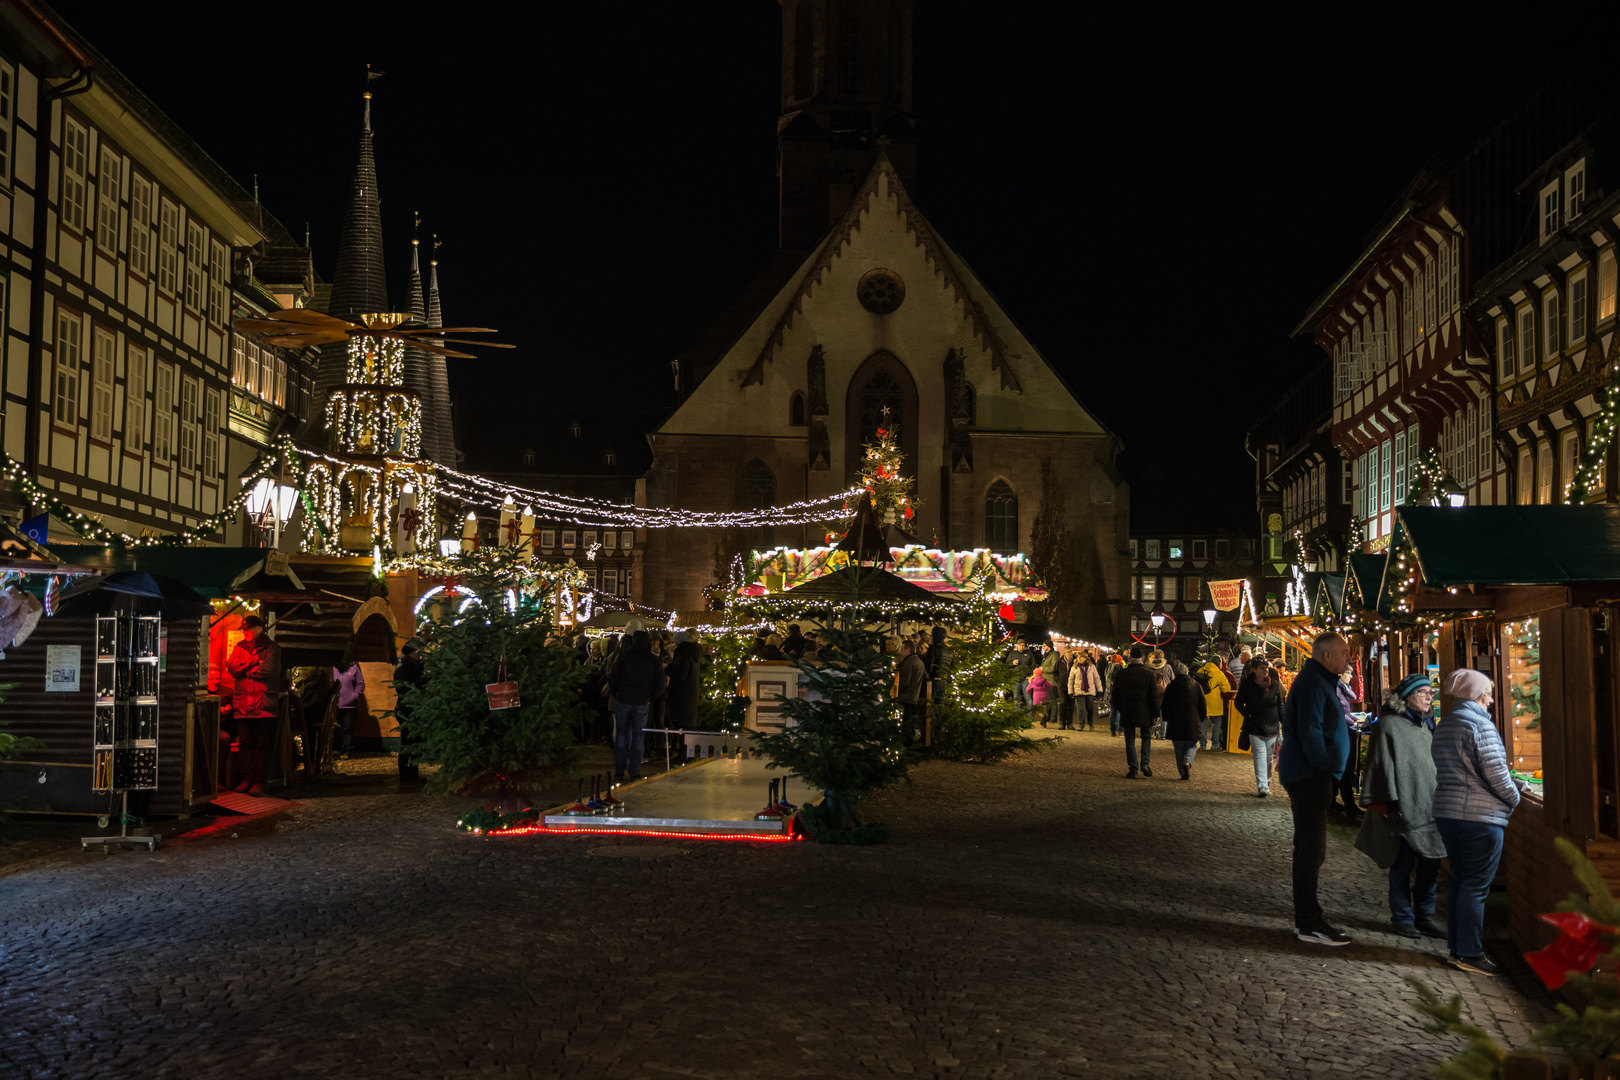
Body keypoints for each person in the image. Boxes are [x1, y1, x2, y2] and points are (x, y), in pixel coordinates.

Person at [1432, 667, 1522, 976]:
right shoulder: (1480, 725)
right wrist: (1514, 797)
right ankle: (1470, 953)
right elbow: (1496, 772)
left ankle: (1458, 948)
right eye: (1488, 694)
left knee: (1460, 881)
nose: (1492, 701)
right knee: (1475, 886)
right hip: (1480, 816)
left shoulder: (1446, 725)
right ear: (1477, 695)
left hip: (1448, 813)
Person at [1355, 673, 1446, 940]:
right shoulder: (1389, 725)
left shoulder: (1427, 725)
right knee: (1402, 863)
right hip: (1402, 807)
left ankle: (1425, 916)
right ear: (1406, 696)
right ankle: (1403, 917)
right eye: (1423, 692)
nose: (1429, 696)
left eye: (1431, 692)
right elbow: (1380, 766)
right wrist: (1392, 806)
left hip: (1429, 807)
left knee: (1431, 863)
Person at [1279, 631, 1354, 946]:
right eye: (1344, 653)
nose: (1349, 658)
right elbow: (1309, 729)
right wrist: (1324, 766)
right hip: (1310, 776)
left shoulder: (1319, 680)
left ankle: (1308, 920)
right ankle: (1309, 923)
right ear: (1327, 655)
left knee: (1310, 850)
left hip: (1312, 774)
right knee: (1312, 851)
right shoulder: (1313, 682)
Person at [226, 616, 280, 796]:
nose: (245, 633)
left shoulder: (272, 647)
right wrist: (253, 663)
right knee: (246, 743)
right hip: (243, 706)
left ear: (258, 629)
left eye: (248, 629)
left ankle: (258, 781)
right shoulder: (240, 647)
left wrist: (246, 670)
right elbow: (232, 667)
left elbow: (270, 669)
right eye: (243, 630)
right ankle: (246, 779)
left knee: (261, 744)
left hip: (263, 705)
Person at [607, 630, 666, 782]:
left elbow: (613, 676)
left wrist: (617, 692)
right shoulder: (653, 660)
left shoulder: (624, 656)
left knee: (621, 736)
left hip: (624, 699)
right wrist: (650, 697)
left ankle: (619, 771)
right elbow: (661, 683)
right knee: (638, 737)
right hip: (642, 701)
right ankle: (634, 771)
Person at [1234, 659, 1284, 797]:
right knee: (1260, 755)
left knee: (1268, 757)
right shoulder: (1247, 685)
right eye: (1262, 668)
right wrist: (1248, 714)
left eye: (1266, 668)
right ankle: (1262, 785)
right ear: (1254, 670)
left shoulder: (1273, 684)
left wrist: (1284, 721)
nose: (1265, 670)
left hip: (1272, 726)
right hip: (1255, 725)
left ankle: (1267, 782)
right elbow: (1238, 703)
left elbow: (1279, 704)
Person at [1112, 646, 1161, 778]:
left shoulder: (1122, 674)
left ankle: (1133, 768)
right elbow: (1154, 696)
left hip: (1127, 710)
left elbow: (1115, 695)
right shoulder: (1149, 674)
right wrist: (1156, 713)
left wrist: (1121, 708)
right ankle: (1145, 763)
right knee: (1146, 738)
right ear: (1143, 658)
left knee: (1130, 741)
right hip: (1145, 711)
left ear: (1130, 657)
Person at [1162, 661, 1204, 780]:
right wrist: (1201, 718)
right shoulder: (1196, 685)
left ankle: (1182, 772)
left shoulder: (1171, 687)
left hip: (1175, 721)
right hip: (1192, 720)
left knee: (1178, 747)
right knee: (1192, 745)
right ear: (1187, 672)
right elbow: (1202, 704)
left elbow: (1165, 704)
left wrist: (1165, 717)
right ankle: (1188, 763)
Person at [392, 643, 425, 781]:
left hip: (413, 708)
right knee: (407, 741)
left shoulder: (414, 666)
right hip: (407, 710)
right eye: (417, 651)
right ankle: (405, 773)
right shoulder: (405, 668)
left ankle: (412, 771)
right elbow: (406, 689)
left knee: (414, 741)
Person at [664, 637, 703, 732]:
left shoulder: (683, 656)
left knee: (681, 726)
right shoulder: (692, 655)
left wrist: (666, 668)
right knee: (686, 726)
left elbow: (680, 675)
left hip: (682, 696)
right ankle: (683, 745)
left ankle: (679, 746)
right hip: (689, 696)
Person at [330, 658, 366, 761]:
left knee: (347, 729)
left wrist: (354, 696)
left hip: (349, 706)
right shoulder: (333, 668)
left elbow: (361, 684)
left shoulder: (354, 668)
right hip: (335, 705)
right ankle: (334, 751)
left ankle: (346, 752)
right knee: (334, 728)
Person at [896, 640, 929, 745]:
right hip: (915, 696)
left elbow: (904, 682)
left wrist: (895, 686)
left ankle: (906, 744)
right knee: (911, 722)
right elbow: (926, 677)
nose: (900, 651)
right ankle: (911, 743)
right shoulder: (919, 661)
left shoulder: (908, 663)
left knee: (906, 722)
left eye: (902, 649)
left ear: (907, 650)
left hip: (906, 697)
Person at [1196, 658, 1233, 750]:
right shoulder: (1219, 673)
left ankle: (1203, 745)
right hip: (1215, 702)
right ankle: (1215, 745)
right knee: (1216, 722)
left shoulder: (1201, 670)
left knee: (1202, 722)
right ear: (1218, 664)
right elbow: (1226, 688)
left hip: (1202, 701)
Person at [1067, 649, 1101, 731]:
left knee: (1090, 708)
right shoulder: (1074, 667)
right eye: (1078, 657)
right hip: (1079, 690)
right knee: (1080, 709)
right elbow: (1071, 680)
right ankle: (1081, 725)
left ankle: (1090, 724)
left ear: (1085, 658)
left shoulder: (1091, 666)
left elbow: (1096, 678)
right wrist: (1070, 691)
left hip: (1090, 690)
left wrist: (1099, 689)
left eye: (1081, 657)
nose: (1079, 659)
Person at [1027, 663, 1056, 727]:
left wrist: (1029, 692)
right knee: (1044, 707)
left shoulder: (1032, 681)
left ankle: (1042, 716)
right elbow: (1050, 686)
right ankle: (1044, 719)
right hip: (1044, 695)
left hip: (1036, 696)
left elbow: (1028, 689)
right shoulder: (1044, 680)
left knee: (1036, 709)